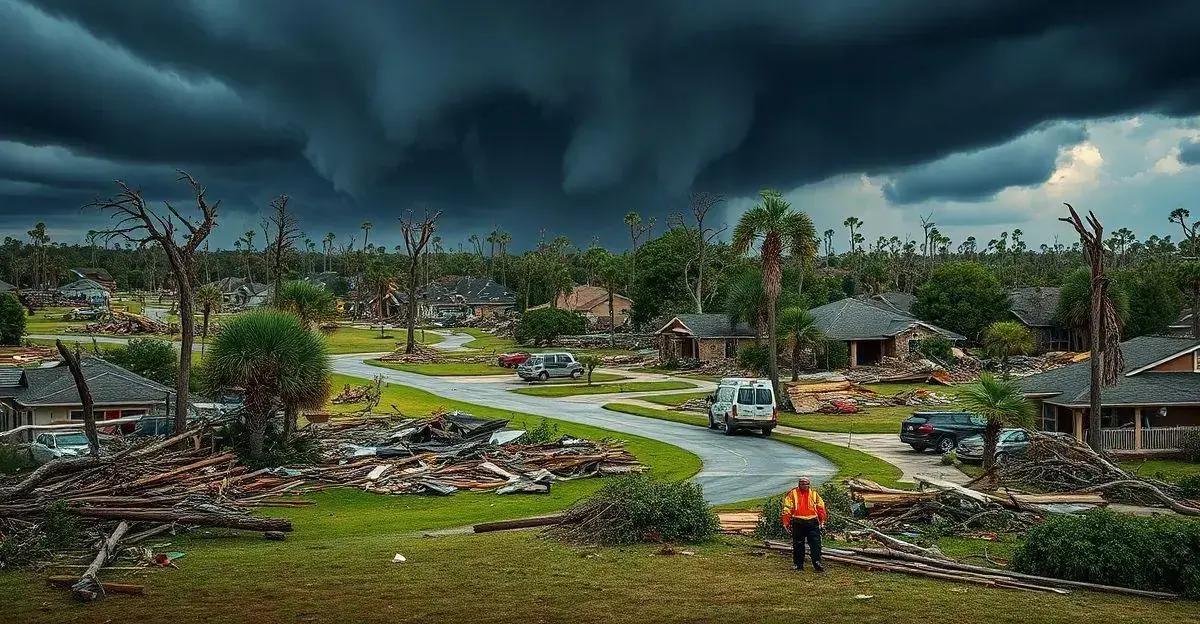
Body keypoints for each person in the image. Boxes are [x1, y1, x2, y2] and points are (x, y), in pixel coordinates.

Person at [779, 476, 827, 572]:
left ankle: (817, 562)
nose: (805, 485)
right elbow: (787, 509)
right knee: (798, 544)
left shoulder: (814, 494)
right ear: (799, 484)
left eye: (806, 484)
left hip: (812, 522)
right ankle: (798, 564)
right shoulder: (792, 494)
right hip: (798, 522)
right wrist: (785, 522)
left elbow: (821, 508)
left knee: (816, 544)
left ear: (809, 484)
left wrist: (822, 521)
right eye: (803, 484)